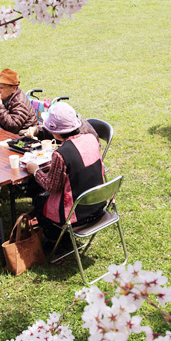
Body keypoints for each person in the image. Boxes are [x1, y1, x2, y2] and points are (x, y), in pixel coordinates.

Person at [25, 103, 106, 247]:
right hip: (99, 206)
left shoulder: (61, 154)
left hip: (76, 216)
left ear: (56, 132)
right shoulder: (90, 139)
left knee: (39, 198)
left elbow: (51, 186)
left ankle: (55, 239)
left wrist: (35, 170)